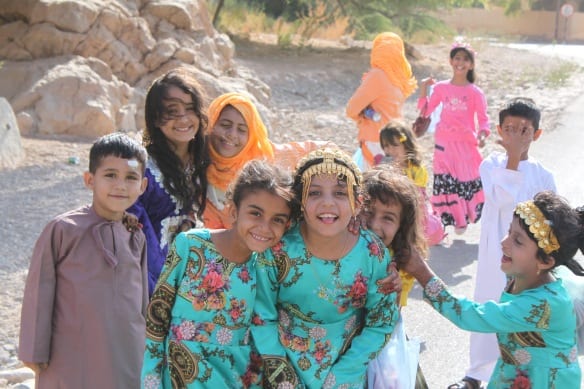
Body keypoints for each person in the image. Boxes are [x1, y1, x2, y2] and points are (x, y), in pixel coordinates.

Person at [404, 190, 584, 388]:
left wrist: (422, 272)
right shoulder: (523, 275)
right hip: (516, 372)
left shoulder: (543, 304)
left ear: (546, 261)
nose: (504, 242)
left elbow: (471, 315)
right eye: (509, 232)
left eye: (518, 241)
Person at [141, 159, 296, 388]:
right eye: (255, 214)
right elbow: (157, 319)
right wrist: (150, 381)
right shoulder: (190, 245)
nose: (265, 227)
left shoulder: (269, 269)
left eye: (277, 220)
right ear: (234, 211)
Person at [251, 148, 399, 388]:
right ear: (299, 201)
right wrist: (283, 375)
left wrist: (342, 375)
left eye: (340, 193)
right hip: (282, 368)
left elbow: (381, 322)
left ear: (357, 203)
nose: (327, 203)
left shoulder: (372, 253)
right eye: (315, 193)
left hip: (347, 369)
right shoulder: (278, 251)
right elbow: (261, 317)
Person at [18, 132, 149, 388]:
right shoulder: (64, 229)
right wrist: (33, 350)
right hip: (69, 351)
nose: (120, 185)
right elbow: (39, 290)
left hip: (125, 350)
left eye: (130, 177)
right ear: (90, 179)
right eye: (110, 175)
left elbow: (141, 299)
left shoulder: (135, 234)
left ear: (142, 186)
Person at [455, 97, 557, 389]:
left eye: (523, 130)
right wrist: (513, 156)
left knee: (523, 310)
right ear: (500, 131)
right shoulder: (491, 164)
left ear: (536, 134)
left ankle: (519, 373)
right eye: (509, 128)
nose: (515, 136)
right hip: (493, 255)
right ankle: (477, 373)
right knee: (489, 304)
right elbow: (500, 199)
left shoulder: (544, 175)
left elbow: (551, 218)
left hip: (528, 258)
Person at [128, 67, 209, 296]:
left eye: (190, 109)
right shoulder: (143, 169)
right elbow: (133, 227)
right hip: (148, 277)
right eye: (171, 111)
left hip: (190, 270)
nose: (183, 118)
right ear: (155, 118)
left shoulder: (202, 159)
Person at [204, 91, 332, 229]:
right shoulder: (199, 166)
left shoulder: (269, 156)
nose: (232, 134)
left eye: (242, 130)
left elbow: (328, 149)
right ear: (211, 124)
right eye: (225, 125)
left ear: (252, 135)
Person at [418, 40, 490, 235]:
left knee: (465, 182)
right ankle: (453, 220)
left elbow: (483, 120)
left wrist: (483, 135)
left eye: (465, 59)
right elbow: (425, 112)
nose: (460, 62)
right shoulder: (441, 88)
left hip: (467, 146)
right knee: (446, 181)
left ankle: (464, 218)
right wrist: (424, 88)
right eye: (457, 58)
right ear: (451, 61)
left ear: (471, 64)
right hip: (443, 145)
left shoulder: (476, 92)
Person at [346, 32, 417, 170]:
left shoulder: (378, 75)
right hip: (395, 139)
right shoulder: (400, 77)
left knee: (370, 186)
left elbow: (351, 109)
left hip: (376, 140)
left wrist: (362, 114)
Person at [379, 120, 445, 246]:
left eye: (394, 145)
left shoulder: (416, 169)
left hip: (412, 210)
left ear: (406, 144)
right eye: (386, 146)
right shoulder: (385, 165)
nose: (390, 150)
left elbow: (415, 195)